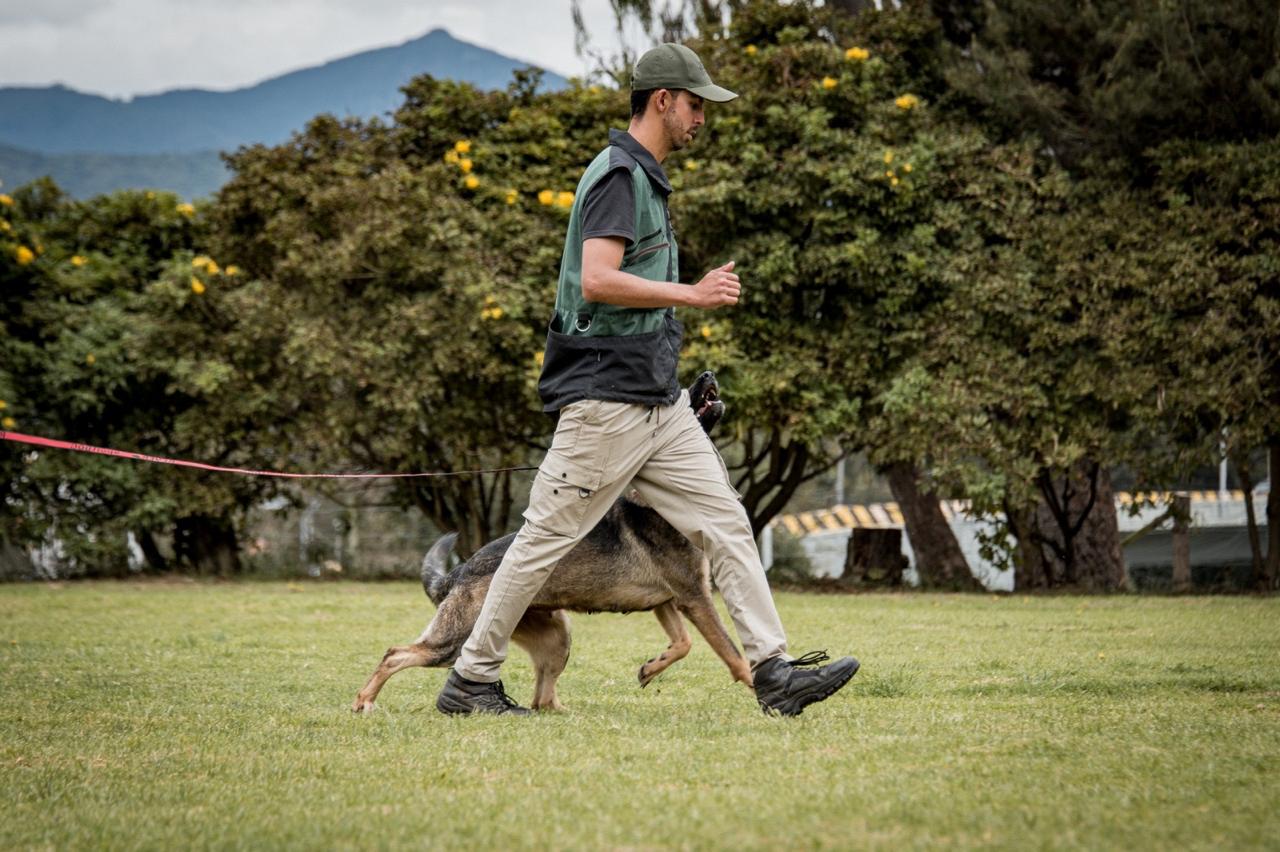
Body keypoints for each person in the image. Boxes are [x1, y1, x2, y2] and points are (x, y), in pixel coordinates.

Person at [437, 43, 859, 717]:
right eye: (695, 105)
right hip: (606, 402)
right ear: (662, 100)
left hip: (660, 403)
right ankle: (471, 680)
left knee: (726, 522)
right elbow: (597, 279)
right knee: (542, 542)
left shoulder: (647, 179)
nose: (701, 118)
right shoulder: (617, 176)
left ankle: (773, 672)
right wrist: (692, 294)